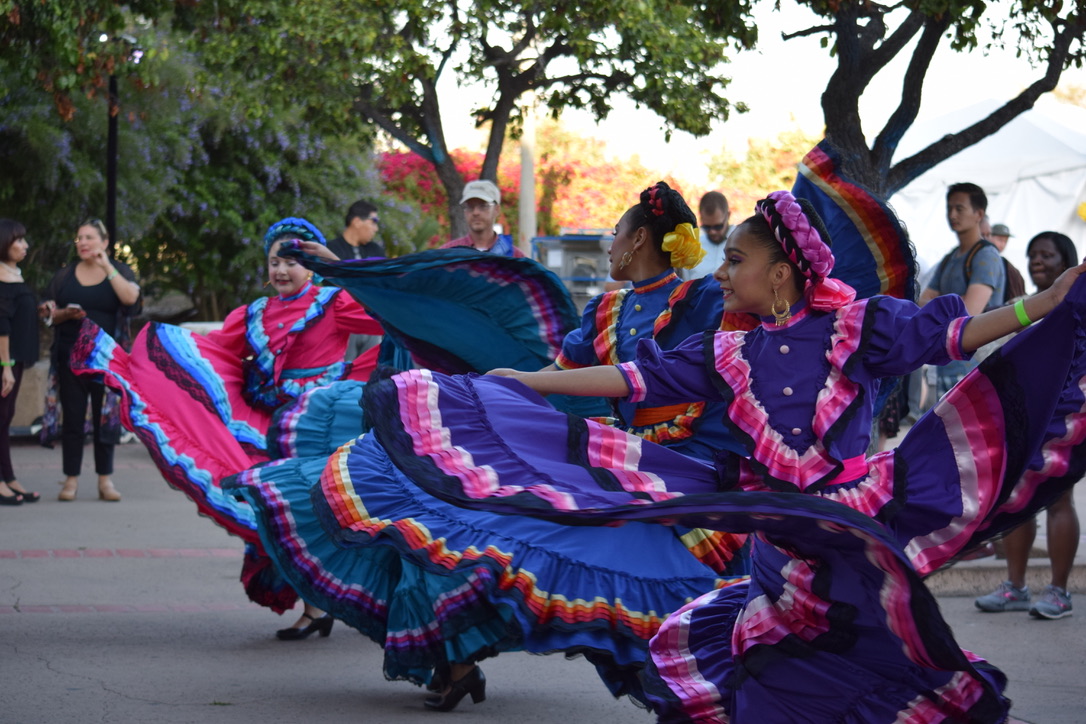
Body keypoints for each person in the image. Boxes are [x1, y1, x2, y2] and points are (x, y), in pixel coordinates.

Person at [355, 182, 1086, 721]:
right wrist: (532, 382)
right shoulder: (728, 349)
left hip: (847, 527)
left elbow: (951, 335)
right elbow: (637, 377)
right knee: (763, 666)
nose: (723, 272)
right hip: (774, 535)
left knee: (871, 661)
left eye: (735, 259)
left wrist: (1040, 310)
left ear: (781, 272)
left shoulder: (856, 327)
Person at [224, 184, 756, 711]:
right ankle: (457, 660)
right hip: (625, 468)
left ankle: (711, 689)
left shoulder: (706, 299)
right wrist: (495, 387)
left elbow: (712, 365)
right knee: (488, 534)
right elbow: (556, 375)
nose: (609, 244)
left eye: (616, 233)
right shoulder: (606, 312)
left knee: (646, 591)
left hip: (692, 474)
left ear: (639, 238)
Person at [71, 217, 384, 625]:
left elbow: (385, 311)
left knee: (315, 511)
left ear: (311, 266)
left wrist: (336, 267)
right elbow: (211, 352)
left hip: (317, 424)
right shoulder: (252, 313)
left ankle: (333, 602)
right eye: (275, 261)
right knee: (275, 509)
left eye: (293, 261)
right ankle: (314, 606)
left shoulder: (334, 303)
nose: (282, 270)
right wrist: (149, 361)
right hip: (266, 426)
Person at [974, 230, 1080, 620]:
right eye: (1033, 254)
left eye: (1047, 255)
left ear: (1066, 261)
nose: (1037, 261)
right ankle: (1015, 587)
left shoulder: (1077, 309)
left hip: (1065, 417)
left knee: (1058, 499)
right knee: (1016, 499)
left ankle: (1059, 592)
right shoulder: (1021, 307)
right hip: (1022, 418)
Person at [42, 218, 140, 502]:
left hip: (106, 358)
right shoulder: (65, 275)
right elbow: (49, 312)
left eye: (89, 237)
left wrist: (106, 266)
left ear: (104, 242)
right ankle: (70, 479)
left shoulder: (118, 271)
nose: (83, 243)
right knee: (72, 419)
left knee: (106, 418)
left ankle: (105, 480)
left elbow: (132, 299)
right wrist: (61, 314)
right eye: (79, 238)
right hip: (70, 356)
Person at [919, 182, 1006, 399]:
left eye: (959, 208)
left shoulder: (986, 255)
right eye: (949, 208)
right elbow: (923, 302)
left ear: (979, 214)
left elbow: (969, 311)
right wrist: (952, 304)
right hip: (949, 359)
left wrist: (938, 304)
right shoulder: (951, 257)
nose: (952, 214)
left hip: (976, 364)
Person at [0, 219, 41, 505]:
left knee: (5, 419)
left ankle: (8, 477)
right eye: (19, 241)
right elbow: (1, 325)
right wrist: (5, 367)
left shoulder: (13, 273)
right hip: (5, 361)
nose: (25, 246)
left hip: (14, 360)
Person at [325, 200, 386, 360]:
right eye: (373, 222)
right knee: (344, 371)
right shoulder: (331, 249)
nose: (376, 228)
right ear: (357, 221)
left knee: (369, 371)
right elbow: (332, 285)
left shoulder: (376, 250)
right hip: (343, 323)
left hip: (372, 321)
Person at [440, 180, 525, 257]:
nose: (475, 212)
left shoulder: (514, 257)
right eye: (470, 207)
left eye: (483, 206)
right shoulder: (448, 254)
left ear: (496, 210)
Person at [682, 191, 731, 280]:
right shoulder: (691, 248)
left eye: (718, 226)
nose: (712, 232)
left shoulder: (744, 242)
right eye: (706, 227)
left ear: (728, 215)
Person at [990, 222, 1028, 301]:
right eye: (1000, 240)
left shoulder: (1007, 266)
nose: (1002, 244)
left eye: (1005, 241)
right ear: (989, 236)